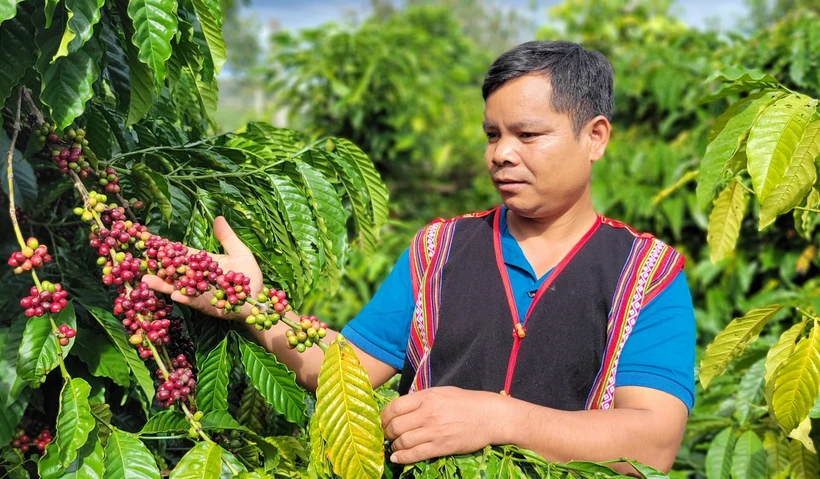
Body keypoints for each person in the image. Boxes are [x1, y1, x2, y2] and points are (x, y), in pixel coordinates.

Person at [145, 40, 694, 475]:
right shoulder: (440, 249)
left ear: (595, 137)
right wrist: (251, 302)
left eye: (528, 134)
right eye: (492, 134)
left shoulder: (647, 274)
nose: (502, 153)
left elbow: (651, 441)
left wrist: (498, 418)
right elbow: (339, 369)